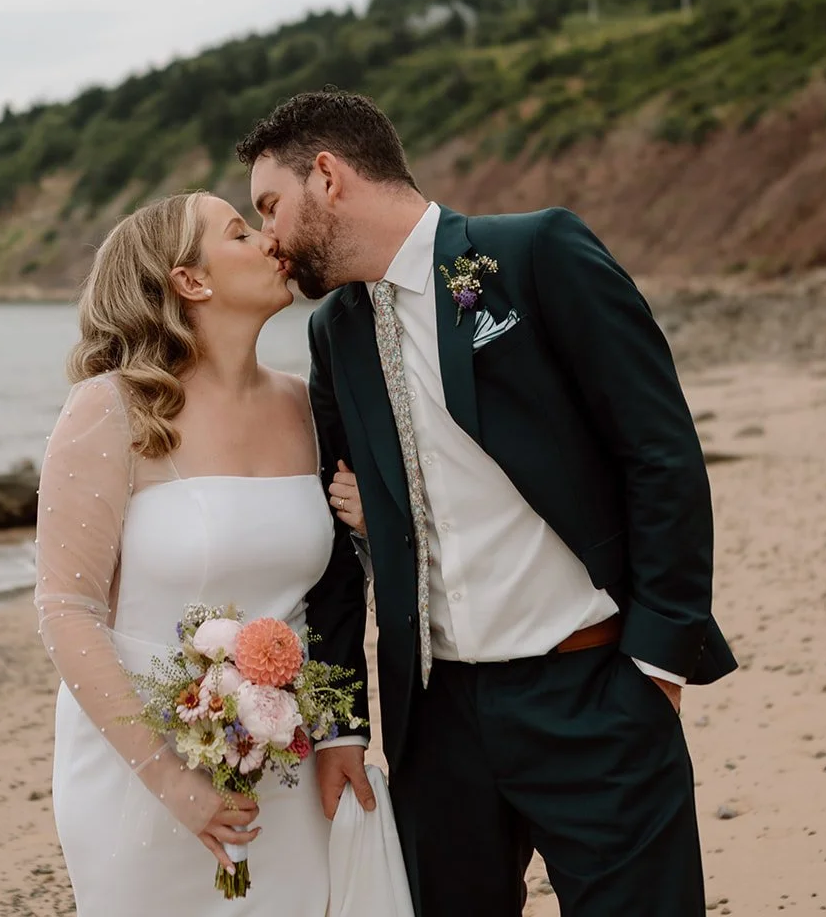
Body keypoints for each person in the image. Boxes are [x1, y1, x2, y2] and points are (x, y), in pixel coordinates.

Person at [240, 89, 737, 917]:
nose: (268, 238)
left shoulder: (535, 255)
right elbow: (334, 548)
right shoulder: (335, 334)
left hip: (594, 691)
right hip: (436, 726)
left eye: (269, 206)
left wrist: (656, 662)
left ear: (327, 176)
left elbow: (660, 453)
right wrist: (343, 724)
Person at [33, 190, 338, 914]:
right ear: (190, 280)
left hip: (285, 760)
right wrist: (174, 784)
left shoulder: (306, 405)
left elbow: (336, 587)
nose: (269, 239)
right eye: (239, 232)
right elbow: (65, 609)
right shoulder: (112, 408)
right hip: (141, 766)